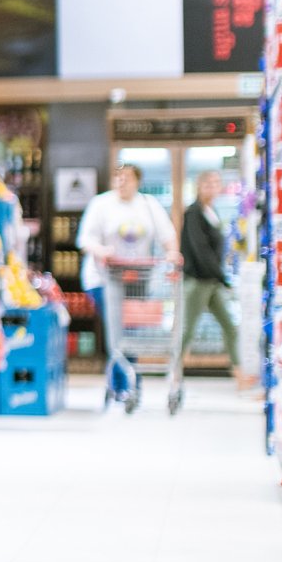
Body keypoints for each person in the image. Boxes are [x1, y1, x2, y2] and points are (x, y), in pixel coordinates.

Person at [78, 164, 180, 407]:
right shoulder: (101, 204)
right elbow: (85, 239)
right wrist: (102, 251)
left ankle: (128, 382)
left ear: (137, 181)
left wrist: (173, 254)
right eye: (118, 177)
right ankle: (124, 385)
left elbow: (168, 235)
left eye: (127, 178)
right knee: (118, 331)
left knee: (130, 331)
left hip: (138, 279)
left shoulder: (148, 205)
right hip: (104, 278)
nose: (121, 182)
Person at [177, 170, 254, 390]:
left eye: (216, 183)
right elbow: (200, 251)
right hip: (197, 282)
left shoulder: (212, 211)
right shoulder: (193, 213)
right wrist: (223, 276)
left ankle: (239, 377)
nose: (212, 187)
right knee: (186, 331)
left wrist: (220, 277)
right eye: (208, 183)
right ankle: (174, 375)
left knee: (230, 327)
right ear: (199, 186)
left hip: (212, 282)